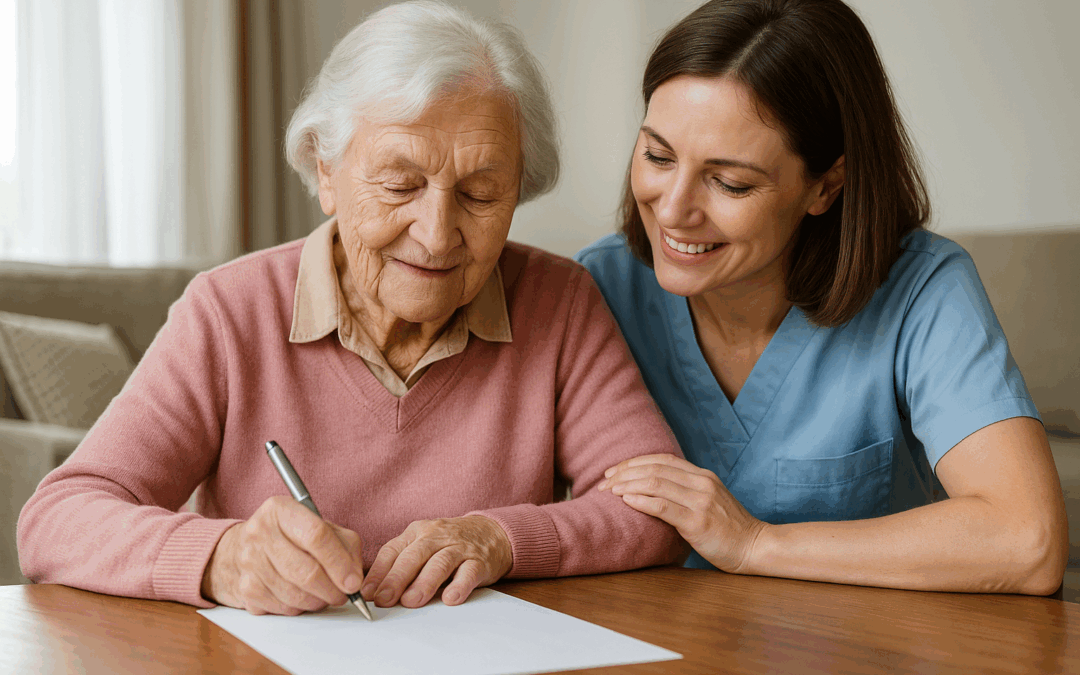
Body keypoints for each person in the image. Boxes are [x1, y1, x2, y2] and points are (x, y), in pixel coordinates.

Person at [18, 0, 682, 616]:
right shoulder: (230, 311)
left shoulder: (559, 302)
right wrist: (219, 557)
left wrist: (500, 537)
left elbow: (656, 511)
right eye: (401, 184)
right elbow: (58, 519)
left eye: (481, 194)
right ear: (325, 169)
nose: (437, 231)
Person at [576, 0, 1068, 594]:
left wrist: (755, 542)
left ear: (825, 187)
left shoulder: (922, 290)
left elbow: (1026, 540)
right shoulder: (597, 289)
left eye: (729, 182)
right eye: (657, 155)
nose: (673, 209)